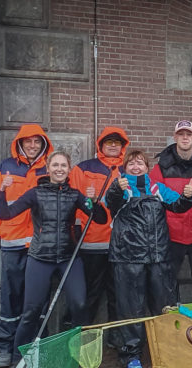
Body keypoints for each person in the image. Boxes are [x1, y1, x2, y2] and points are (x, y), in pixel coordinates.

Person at [0, 151, 108, 368]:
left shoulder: (75, 195)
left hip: (69, 257)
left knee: (79, 305)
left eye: (63, 166)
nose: (59, 169)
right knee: (31, 311)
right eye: (55, 165)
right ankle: (18, 359)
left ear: (69, 170)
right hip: (40, 258)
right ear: (48, 169)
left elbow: (100, 218)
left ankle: (78, 353)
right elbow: (6, 214)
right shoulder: (35, 193)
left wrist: (94, 201)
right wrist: (2, 191)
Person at [105, 149, 192, 368]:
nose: (136, 167)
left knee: (164, 305)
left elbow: (178, 206)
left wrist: (188, 196)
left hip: (158, 256)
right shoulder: (121, 187)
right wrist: (116, 188)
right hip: (128, 258)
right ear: (125, 168)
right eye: (131, 164)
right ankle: (131, 354)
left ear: (147, 168)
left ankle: (167, 349)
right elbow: (111, 202)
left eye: (140, 163)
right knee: (130, 307)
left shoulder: (157, 188)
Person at [0, 124, 52, 368]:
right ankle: (5, 346)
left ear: (43, 144)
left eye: (37, 141)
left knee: (38, 298)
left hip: (39, 243)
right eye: (28, 141)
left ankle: (36, 345)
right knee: (10, 297)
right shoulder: (5, 167)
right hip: (12, 241)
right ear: (20, 143)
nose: (32, 146)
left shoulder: (49, 168)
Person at [69, 127, 128, 349]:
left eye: (117, 142)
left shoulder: (128, 170)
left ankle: (115, 336)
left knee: (117, 295)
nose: (113, 146)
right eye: (108, 142)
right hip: (92, 244)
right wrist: (74, 233)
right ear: (100, 145)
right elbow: (73, 202)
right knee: (90, 295)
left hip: (120, 245)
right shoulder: (83, 169)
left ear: (123, 147)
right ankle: (83, 338)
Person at [149, 120, 192, 302]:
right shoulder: (161, 167)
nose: (185, 137)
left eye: (188, 134)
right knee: (168, 282)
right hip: (172, 234)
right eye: (181, 134)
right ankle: (172, 313)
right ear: (174, 137)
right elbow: (154, 197)